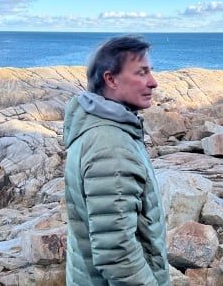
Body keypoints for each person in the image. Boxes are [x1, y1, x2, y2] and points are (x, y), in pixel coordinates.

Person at [63, 36, 170, 285]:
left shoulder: (104, 130)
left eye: (150, 72)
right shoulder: (110, 147)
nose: (153, 82)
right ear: (110, 79)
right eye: (142, 73)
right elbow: (118, 256)